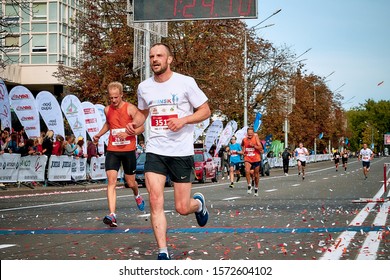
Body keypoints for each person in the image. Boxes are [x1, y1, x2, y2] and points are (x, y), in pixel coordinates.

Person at [126, 43, 211, 260]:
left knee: (182, 208)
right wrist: (134, 126)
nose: (155, 59)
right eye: (152, 56)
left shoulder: (185, 83)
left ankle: (198, 205)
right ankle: (163, 251)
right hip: (155, 150)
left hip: (181, 151)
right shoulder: (144, 87)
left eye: (159, 56)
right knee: (155, 199)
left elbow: (205, 110)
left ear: (169, 59)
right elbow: (144, 112)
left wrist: (183, 120)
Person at [93, 81, 145, 228]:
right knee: (111, 182)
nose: (113, 101)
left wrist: (130, 132)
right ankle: (112, 214)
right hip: (113, 150)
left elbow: (141, 127)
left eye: (116, 97)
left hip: (128, 150)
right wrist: (98, 134)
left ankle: (137, 195)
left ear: (121, 95)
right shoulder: (106, 109)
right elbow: (109, 124)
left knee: (130, 182)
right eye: (111, 98)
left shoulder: (130, 108)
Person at [241, 127, 263, 196]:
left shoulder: (256, 139)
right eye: (248, 134)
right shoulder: (244, 139)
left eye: (251, 134)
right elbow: (242, 145)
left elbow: (260, 148)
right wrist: (243, 151)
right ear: (247, 133)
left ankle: (256, 188)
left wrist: (254, 146)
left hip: (256, 158)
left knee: (256, 175)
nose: (250, 135)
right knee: (247, 171)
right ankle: (249, 185)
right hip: (248, 158)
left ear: (253, 133)